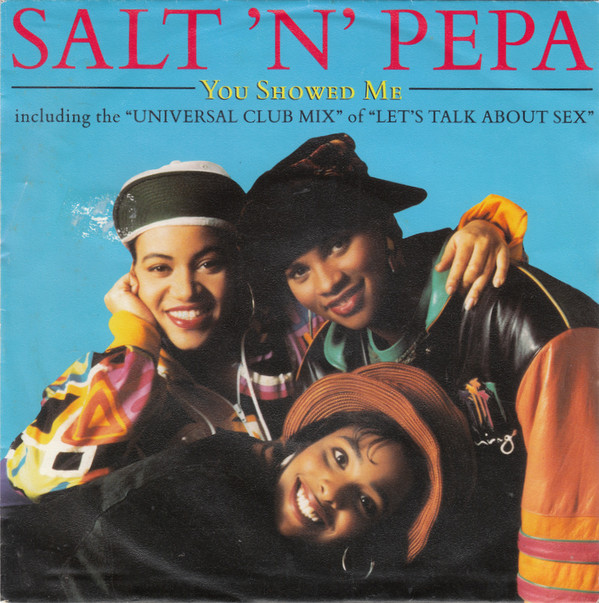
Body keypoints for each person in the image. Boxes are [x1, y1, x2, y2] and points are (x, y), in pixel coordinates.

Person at [5, 156, 526, 502]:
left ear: (242, 267)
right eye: (160, 268)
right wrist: (133, 341)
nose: (185, 291)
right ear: (132, 280)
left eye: (209, 263)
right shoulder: (117, 379)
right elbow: (37, 476)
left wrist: (483, 228)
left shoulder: (302, 336)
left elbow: (386, 269)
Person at [238, 133, 599, 601]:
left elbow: (572, 549)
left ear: (387, 231)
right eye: (298, 271)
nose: (327, 283)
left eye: (337, 244)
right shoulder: (325, 371)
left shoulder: (521, 322)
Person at [2, 364, 475, 601]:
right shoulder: (208, 475)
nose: (333, 491)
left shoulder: (319, 578)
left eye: (367, 503)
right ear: (307, 440)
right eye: (338, 457)